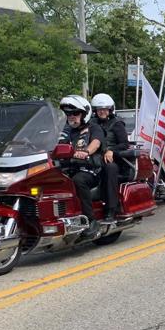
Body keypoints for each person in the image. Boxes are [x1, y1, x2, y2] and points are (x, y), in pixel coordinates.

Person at [59, 95, 105, 237]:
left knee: (78, 181)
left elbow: (96, 143)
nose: (71, 116)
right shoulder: (66, 131)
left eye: (75, 113)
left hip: (90, 170)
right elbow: (55, 143)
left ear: (85, 114)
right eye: (68, 114)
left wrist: (85, 152)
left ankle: (91, 221)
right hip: (68, 168)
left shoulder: (94, 128)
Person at [90, 93, 128, 224]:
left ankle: (111, 208)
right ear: (94, 110)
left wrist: (112, 150)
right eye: (99, 109)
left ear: (110, 110)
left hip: (112, 159)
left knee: (110, 169)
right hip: (93, 156)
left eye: (105, 109)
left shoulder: (116, 124)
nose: (102, 112)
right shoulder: (90, 123)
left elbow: (124, 144)